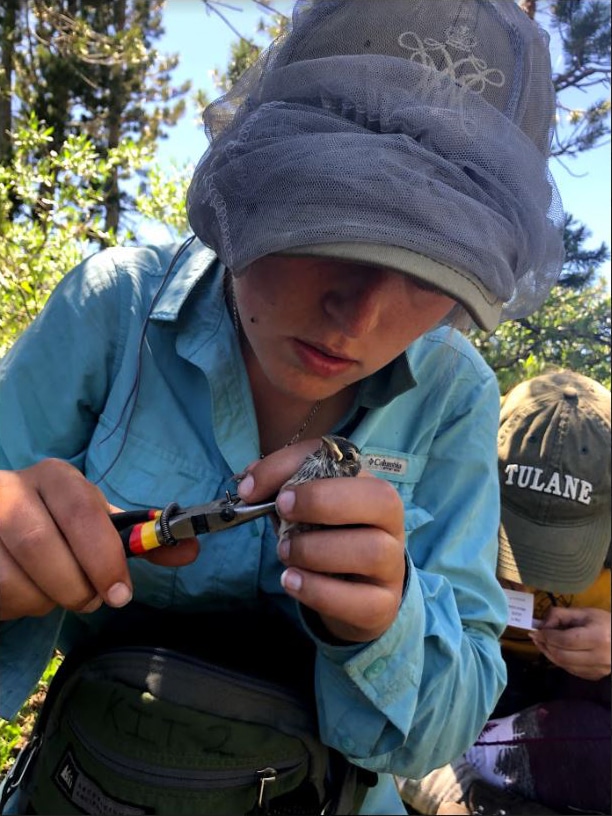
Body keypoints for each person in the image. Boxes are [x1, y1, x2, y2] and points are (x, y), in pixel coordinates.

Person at [0, 2, 565, 814]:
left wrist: (385, 622)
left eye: (432, 267)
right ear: (250, 185)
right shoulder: (115, 307)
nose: (361, 315)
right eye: (330, 224)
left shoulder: (454, 395)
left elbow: (448, 728)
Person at [398, 370, 611, 815]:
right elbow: (379, 665)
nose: (531, 577)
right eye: (508, 534)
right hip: (454, 690)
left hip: (561, 699)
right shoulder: (432, 496)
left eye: (566, 542)